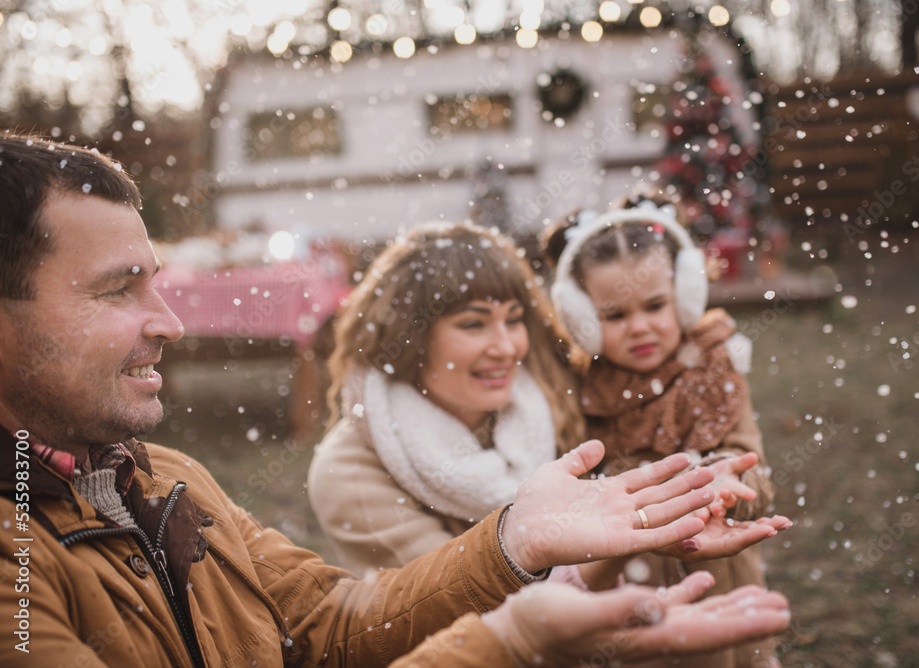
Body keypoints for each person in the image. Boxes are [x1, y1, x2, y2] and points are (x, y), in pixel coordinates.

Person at [0, 132, 790, 667]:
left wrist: (517, 539)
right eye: (115, 291)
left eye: (157, 282)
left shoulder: (170, 477)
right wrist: (516, 633)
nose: (170, 323)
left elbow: (330, 623)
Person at [308, 222, 788, 590]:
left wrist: (721, 476)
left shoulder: (549, 402)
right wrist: (629, 538)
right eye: (474, 325)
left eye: (514, 320)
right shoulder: (350, 472)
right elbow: (461, 599)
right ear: (408, 339)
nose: (506, 347)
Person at [543, 195, 784, 667]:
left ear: (686, 296)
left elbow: (752, 470)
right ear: (583, 320)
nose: (640, 327)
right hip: (632, 595)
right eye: (615, 315)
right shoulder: (582, 393)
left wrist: (725, 481)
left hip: (722, 585)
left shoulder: (714, 371)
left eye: (655, 306)